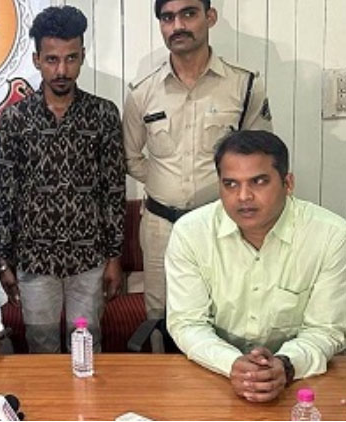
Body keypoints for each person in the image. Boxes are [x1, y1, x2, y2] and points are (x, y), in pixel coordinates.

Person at [123, 0, 273, 340]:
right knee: (160, 317)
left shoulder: (244, 85)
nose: (177, 25)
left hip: (221, 223)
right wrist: (164, 182)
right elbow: (130, 157)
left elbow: (261, 157)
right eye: (167, 18)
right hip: (161, 226)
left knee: (226, 312)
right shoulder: (142, 92)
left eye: (188, 13)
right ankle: (163, 375)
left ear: (210, 17)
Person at [166, 130, 346, 403]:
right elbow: (187, 322)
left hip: (300, 382)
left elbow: (325, 329)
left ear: (288, 183)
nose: (243, 196)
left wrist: (285, 365)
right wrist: (232, 363)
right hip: (214, 376)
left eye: (259, 182)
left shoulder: (331, 235)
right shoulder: (191, 232)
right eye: (230, 184)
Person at [0, 5, 126, 353]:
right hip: (35, 261)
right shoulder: (16, 118)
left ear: (82, 57)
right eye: (52, 59)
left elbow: (113, 191)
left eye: (71, 58)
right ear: (36, 60)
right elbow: (6, 192)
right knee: (41, 348)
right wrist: (4, 260)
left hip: (89, 259)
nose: (62, 70)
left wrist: (114, 257)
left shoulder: (103, 114)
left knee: (87, 346)